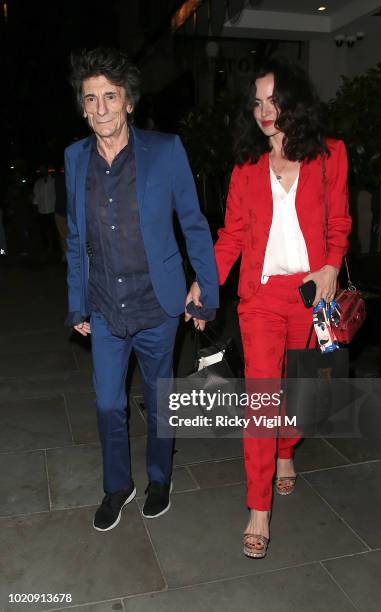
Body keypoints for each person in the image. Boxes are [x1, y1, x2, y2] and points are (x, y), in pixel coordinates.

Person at [65, 47, 218, 531]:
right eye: (91, 99)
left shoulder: (166, 150)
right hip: (107, 308)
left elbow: (193, 224)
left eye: (110, 96)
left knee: (159, 400)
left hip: (158, 306)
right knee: (109, 402)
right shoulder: (74, 159)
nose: (101, 108)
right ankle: (117, 485)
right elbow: (75, 238)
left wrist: (206, 292)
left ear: (129, 100)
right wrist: (77, 303)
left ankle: (159, 478)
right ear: (82, 107)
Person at [213, 58, 351, 558]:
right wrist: (205, 286)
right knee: (262, 399)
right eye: (257, 101)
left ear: (295, 102)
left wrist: (332, 266)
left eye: (274, 100)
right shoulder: (246, 167)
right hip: (261, 298)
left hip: (310, 296)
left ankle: (286, 450)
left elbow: (339, 222)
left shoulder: (331, 155)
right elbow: (230, 236)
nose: (264, 111)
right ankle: (258, 507)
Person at [33, 163, 59, 258]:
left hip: (52, 210)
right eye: (41, 169)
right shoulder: (37, 183)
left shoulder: (53, 181)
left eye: (44, 169)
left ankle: (56, 249)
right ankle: (46, 248)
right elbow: (36, 198)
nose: (42, 171)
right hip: (42, 211)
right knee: (43, 232)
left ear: (47, 170)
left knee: (54, 231)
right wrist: (35, 211)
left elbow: (57, 195)